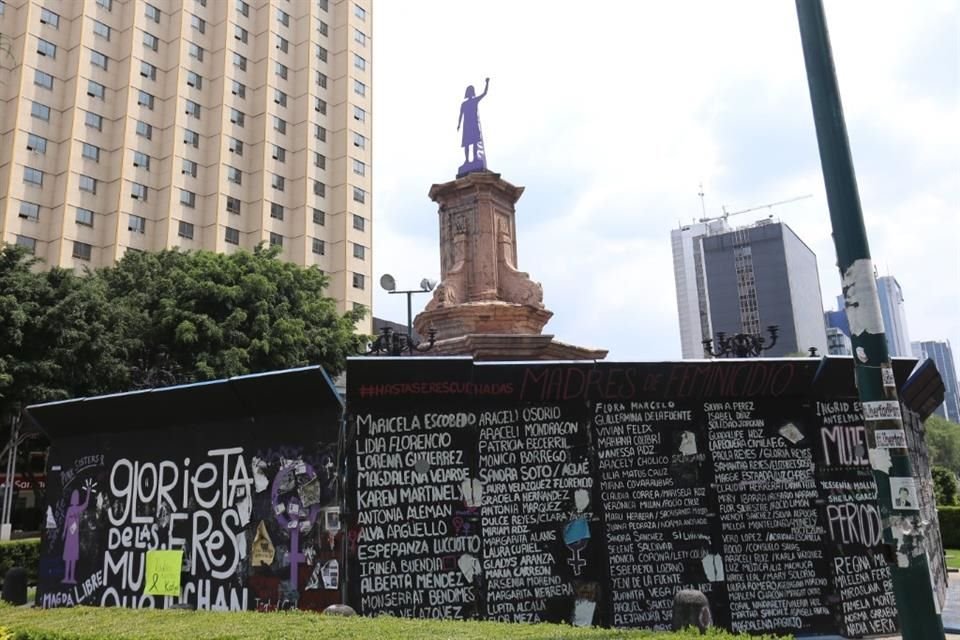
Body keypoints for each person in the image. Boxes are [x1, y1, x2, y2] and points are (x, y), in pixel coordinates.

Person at [62, 479, 94, 584]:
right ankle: (67, 576)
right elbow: (66, 521)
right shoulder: (70, 510)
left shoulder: (78, 509)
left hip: (75, 536)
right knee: (68, 557)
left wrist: (88, 492)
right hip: (69, 536)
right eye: (74, 497)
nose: (75, 499)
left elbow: (85, 504)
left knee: (73, 557)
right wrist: (64, 532)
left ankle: (71, 577)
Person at [457, 78, 489, 166]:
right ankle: (467, 160)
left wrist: (487, 83)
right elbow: (461, 114)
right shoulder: (464, 104)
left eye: (472, 91)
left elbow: (484, 93)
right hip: (467, 125)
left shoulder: (475, 101)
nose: (471, 93)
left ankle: (475, 158)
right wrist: (459, 124)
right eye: (470, 91)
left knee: (474, 142)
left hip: (473, 123)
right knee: (467, 144)